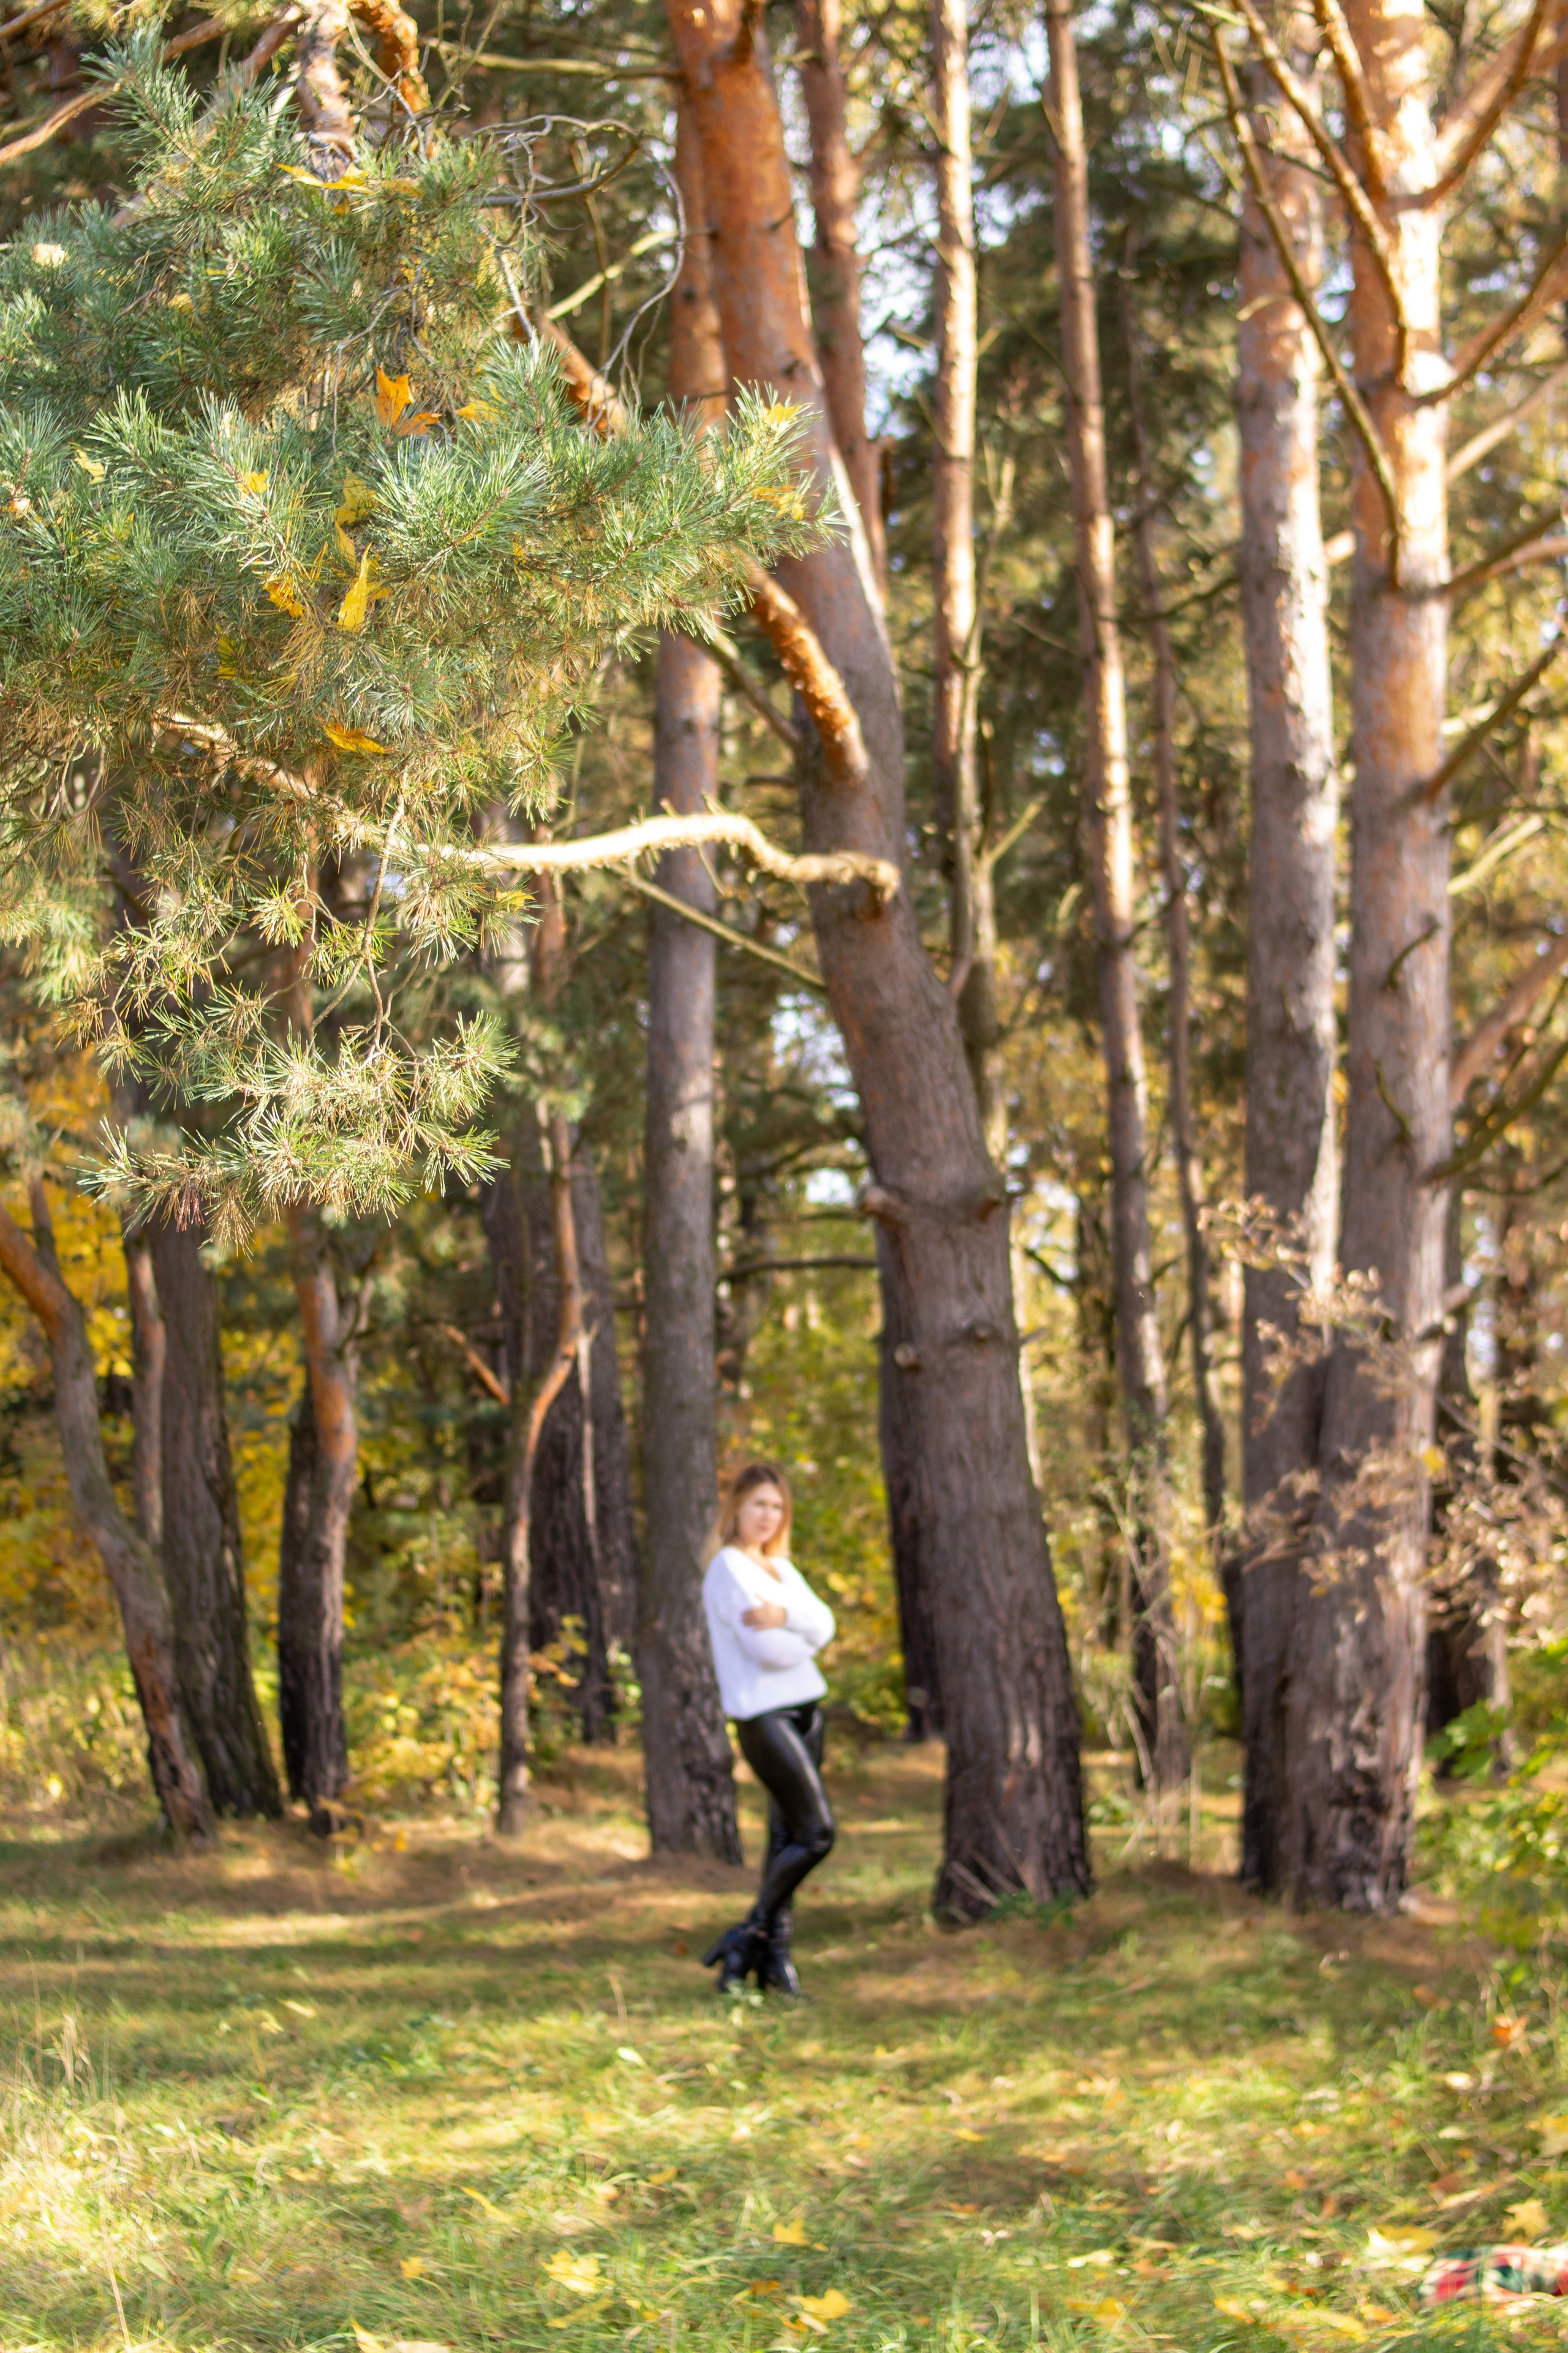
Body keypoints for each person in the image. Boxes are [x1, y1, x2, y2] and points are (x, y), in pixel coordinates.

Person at [700, 1462, 836, 1996]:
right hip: (764, 1714)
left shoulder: (780, 1568)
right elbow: (766, 1649)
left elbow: (826, 1624)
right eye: (759, 1503)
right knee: (817, 1833)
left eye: (777, 1506)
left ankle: (769, 1960)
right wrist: (797, 1628)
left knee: (786, 1837)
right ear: (736, 1506)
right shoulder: (729, 1569)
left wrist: (788, 1618)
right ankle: (748, 1932)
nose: (768, 1515)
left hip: (809, 1708)